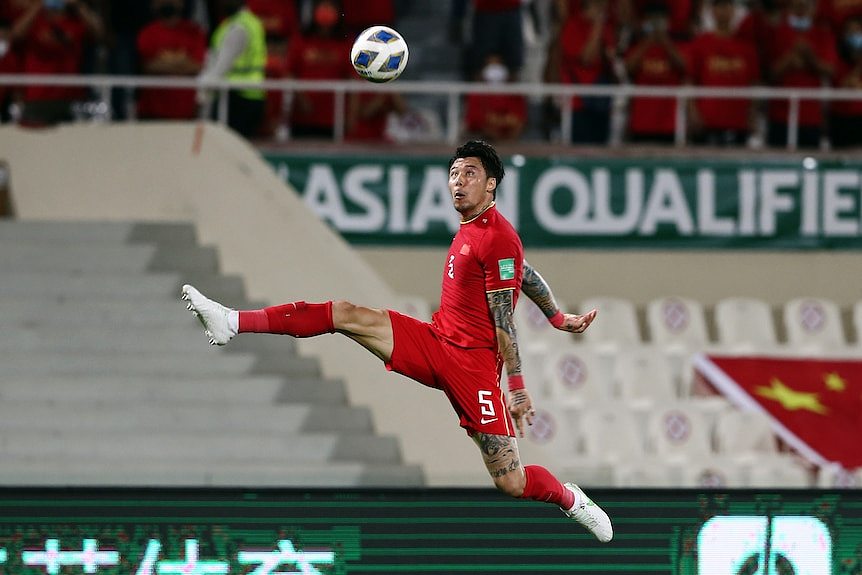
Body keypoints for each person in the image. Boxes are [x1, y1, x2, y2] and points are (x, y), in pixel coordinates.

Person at [181, 140, 613, 543]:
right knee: (347, 314)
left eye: (469, 173)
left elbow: (504, 320)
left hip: (473, 369)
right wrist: (557, 316)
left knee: (511, 481)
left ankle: (570, 498)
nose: (458, 181)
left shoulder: (498, 238)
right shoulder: (476, 230)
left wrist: (516, 387)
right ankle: (232, 321)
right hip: (435, 341)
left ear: (491, 183)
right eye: (454, 173)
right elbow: (526, 273)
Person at [11, 0, 103, 126]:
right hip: (37, 97)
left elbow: (99, 33)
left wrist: (80, 6)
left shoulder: (75, 23)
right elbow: (15, 34)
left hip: (69, 97)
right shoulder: (35, 22)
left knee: (71, 144)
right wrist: (38, 6)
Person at [765, 0, 837, 148]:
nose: (801, 11)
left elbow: (830, 70)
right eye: (797, 6)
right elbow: (769, 74)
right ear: (789, 8)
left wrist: (810, 58)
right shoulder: (777, 32)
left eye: (805, 6)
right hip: (780, 115)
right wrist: (790, 59)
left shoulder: (823, 34)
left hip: (811, 116)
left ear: (813, 9)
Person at [688, 0, 760, 146]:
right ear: (712, 11)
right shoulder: (699, 44)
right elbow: (690, 80)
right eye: (719, 6)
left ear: (733, 10)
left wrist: (752, 115)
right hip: (707, 121)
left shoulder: (747, 47)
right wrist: (693, 113)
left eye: (727, 6)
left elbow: (754, 84)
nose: (723, 11)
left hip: (738, 121)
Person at [198, 0, 267, 138]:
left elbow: (220, 68)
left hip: (237, 98)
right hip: (247, 95)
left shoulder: (239, 26)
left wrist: (202, 92)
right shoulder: (247, 22)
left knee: (226, 150)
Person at [624, 2, 689, 144]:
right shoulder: (636, 44)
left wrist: (664, 41)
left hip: (668, 123)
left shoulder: (678, 44)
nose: (655, 25)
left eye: (659, 20)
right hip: (641, 121)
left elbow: (683, 66)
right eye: (651, 20)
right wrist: (649, 41)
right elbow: (628, 67)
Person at [136, 0, 207, 120]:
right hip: (152, 112)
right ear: (154, 4)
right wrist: (181, 61)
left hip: (186, 112)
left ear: (182, 3)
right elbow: (148, 66)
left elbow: (197, 66)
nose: (167, 2)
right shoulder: (147, 32)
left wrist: (164, 61)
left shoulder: (195, 32)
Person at [463, 54, 528, 142]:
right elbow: (474, 123)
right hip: (483, 142)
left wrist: (508, 142)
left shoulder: (515, 94)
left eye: (497, 64)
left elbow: (521, 122)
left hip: (512, 143)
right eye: (491, 65)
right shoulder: (476, 94)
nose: (494, 69)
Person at [830, 16, 862, 147]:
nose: (854, 35)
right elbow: (847, 83)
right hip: (842, 120)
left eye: (858, 30)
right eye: (850, 31)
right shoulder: (837, 59)